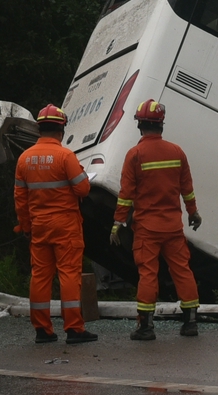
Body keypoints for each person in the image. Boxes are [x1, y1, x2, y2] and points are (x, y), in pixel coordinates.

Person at [111, 98, 203, 340]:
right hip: (173, 226)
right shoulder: (177, 152)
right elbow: (187, 188)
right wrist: (193, 212)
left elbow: (126, 195)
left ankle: (146, 327)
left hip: (147, 229)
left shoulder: (135, 155)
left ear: (140, 125)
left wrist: (117, 224)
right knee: (182, 270)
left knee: (148, 274)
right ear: (161, 125)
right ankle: (191, 322)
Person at [13, 104, 97, 346]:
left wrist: (26, 226)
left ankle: (42, 330)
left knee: (40, 276)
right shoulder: (65, 156)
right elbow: (83, 188)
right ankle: (74, 329)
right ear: (61, 129)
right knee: (69, 274)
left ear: (40, 129)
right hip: (66, 226)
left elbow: (20, 199)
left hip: (39, 227)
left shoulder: (24, 158)